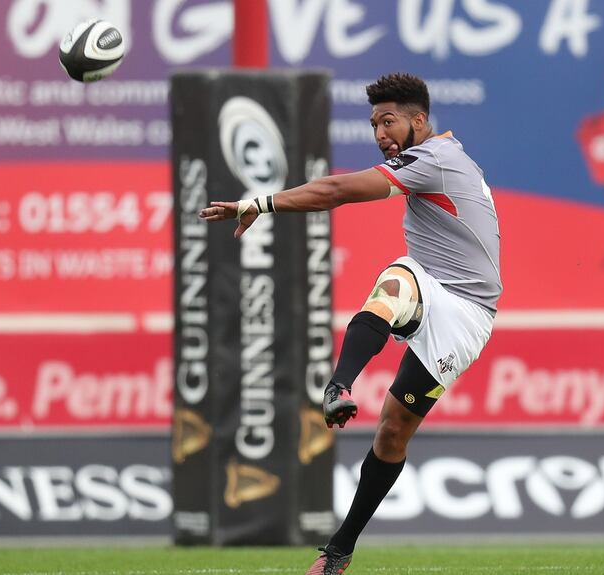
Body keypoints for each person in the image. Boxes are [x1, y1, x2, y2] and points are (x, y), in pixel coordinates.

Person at [199, 73, 501, 575]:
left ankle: (338, 384)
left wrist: (261, 201)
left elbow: (338, 189)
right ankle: (338, 551)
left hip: (466, 315)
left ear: (419, 120)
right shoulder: (445, 159)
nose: (380, 132)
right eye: (374, 123)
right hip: (452, 301)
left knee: (394, 426)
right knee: (398, 295)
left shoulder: (436, 160)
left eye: (389, 121)